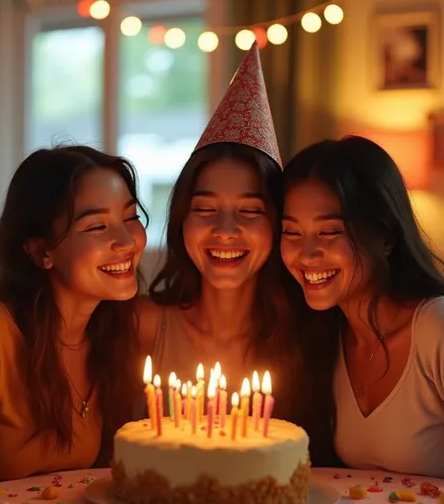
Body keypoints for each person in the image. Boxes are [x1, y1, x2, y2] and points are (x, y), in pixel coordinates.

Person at [0, 145, 147, 488]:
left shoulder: (113, 336)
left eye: (130, 218)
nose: (127, 241)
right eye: (97, 226)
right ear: (41, 252)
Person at [136, 43, 292, 408]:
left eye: (250, 211)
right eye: (205, 209)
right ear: (181, 219)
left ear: (278, 223)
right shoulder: (141, 325)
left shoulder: (311, 335)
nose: (225, 230)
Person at [280, 135, 444, 477]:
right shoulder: (322, 339)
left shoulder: (434, 328)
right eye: (292, 233)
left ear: (385, 236)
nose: (306, 254)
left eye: (329, 233)